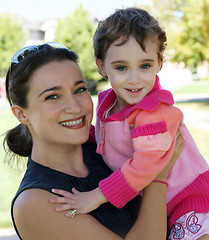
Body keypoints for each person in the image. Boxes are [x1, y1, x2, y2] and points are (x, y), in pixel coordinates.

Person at [50, 8, 209, 240]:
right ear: (102, 67)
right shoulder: (107, 103)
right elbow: (108, 137)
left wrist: (95, 197)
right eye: (121, 68)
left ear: (159, 63)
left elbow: (146, 165)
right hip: (162, 204)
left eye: (145, 66)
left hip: (189, 202)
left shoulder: (154, 111)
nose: (134, 79)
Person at [4, 42, 183, 240]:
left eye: (79, 90)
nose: (74, 107)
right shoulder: (36, 202)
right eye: (53, 96)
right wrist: (158, 174)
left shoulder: (106, 148)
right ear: (21, 114)